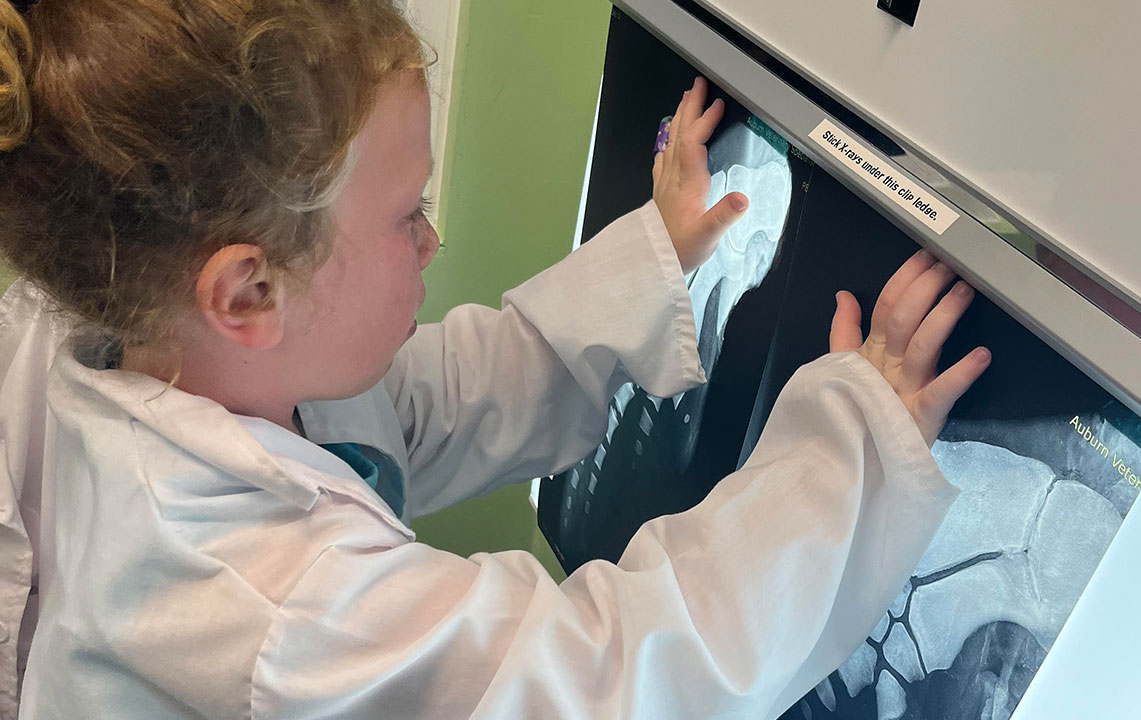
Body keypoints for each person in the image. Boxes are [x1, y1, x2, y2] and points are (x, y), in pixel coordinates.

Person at [0, 0, 990, 717]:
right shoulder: (272, 615)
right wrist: (856, 442)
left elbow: (427, 405)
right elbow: (617, 684)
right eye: (405, 216)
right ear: (247, 293)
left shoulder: (126, 342)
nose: (430, 242)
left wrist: (653, 255)